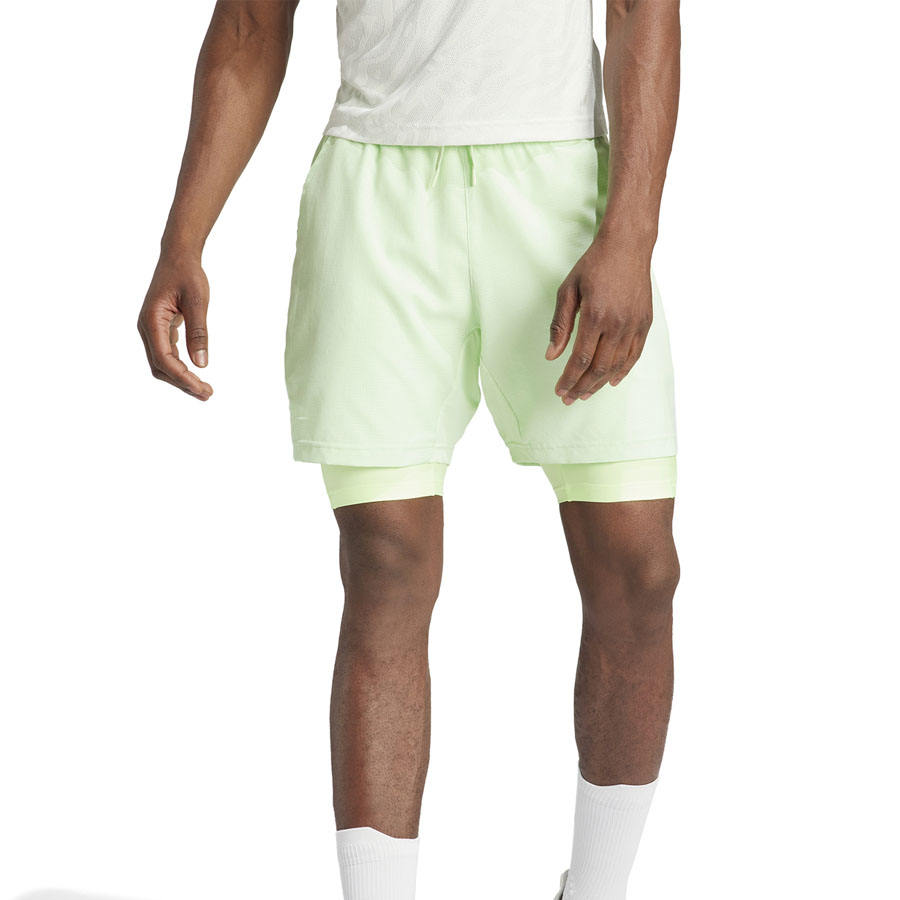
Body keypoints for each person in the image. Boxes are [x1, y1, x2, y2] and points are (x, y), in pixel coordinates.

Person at [137, 1, 681, 897]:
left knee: (639, 567)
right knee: (385, 563)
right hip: (376, 190)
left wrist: (632, 230)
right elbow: (251, 24)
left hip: (561, 185)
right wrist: (182, 238)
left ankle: (597, 890)